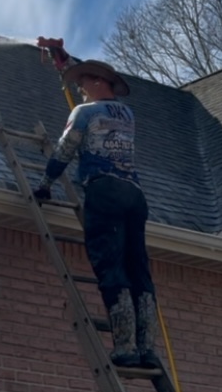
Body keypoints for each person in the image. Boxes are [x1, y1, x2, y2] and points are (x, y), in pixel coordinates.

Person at [33, 60, 159, 369]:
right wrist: (63, 59)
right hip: (135, 195)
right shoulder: (127, 114)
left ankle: (125, 347)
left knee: (110, 265)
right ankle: (147, 349)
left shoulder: (84, 113)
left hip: (104, 192)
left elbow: (65, 149)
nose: (80, 88)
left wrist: (46, 184)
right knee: (138, 270)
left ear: (100, 82)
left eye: (84, 82)